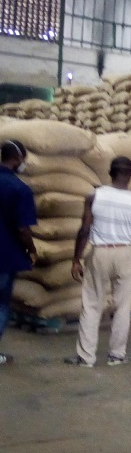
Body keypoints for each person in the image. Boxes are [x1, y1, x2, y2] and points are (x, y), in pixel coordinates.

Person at [66, 156, 131, 368]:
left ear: (110, 173)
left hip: (100, 252)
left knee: (92, 304)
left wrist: (76, 259)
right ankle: (117, 355)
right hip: (125, 253)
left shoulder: (94, 197)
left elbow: (84, 229)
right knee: (123, 307)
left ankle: (86, 357)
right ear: (130, 175)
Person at [0, 140, 37, 365]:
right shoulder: (19, 189)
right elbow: (23, 228)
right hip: (5, 255)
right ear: (17, 159)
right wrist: (31, 249)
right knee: (1, 304)